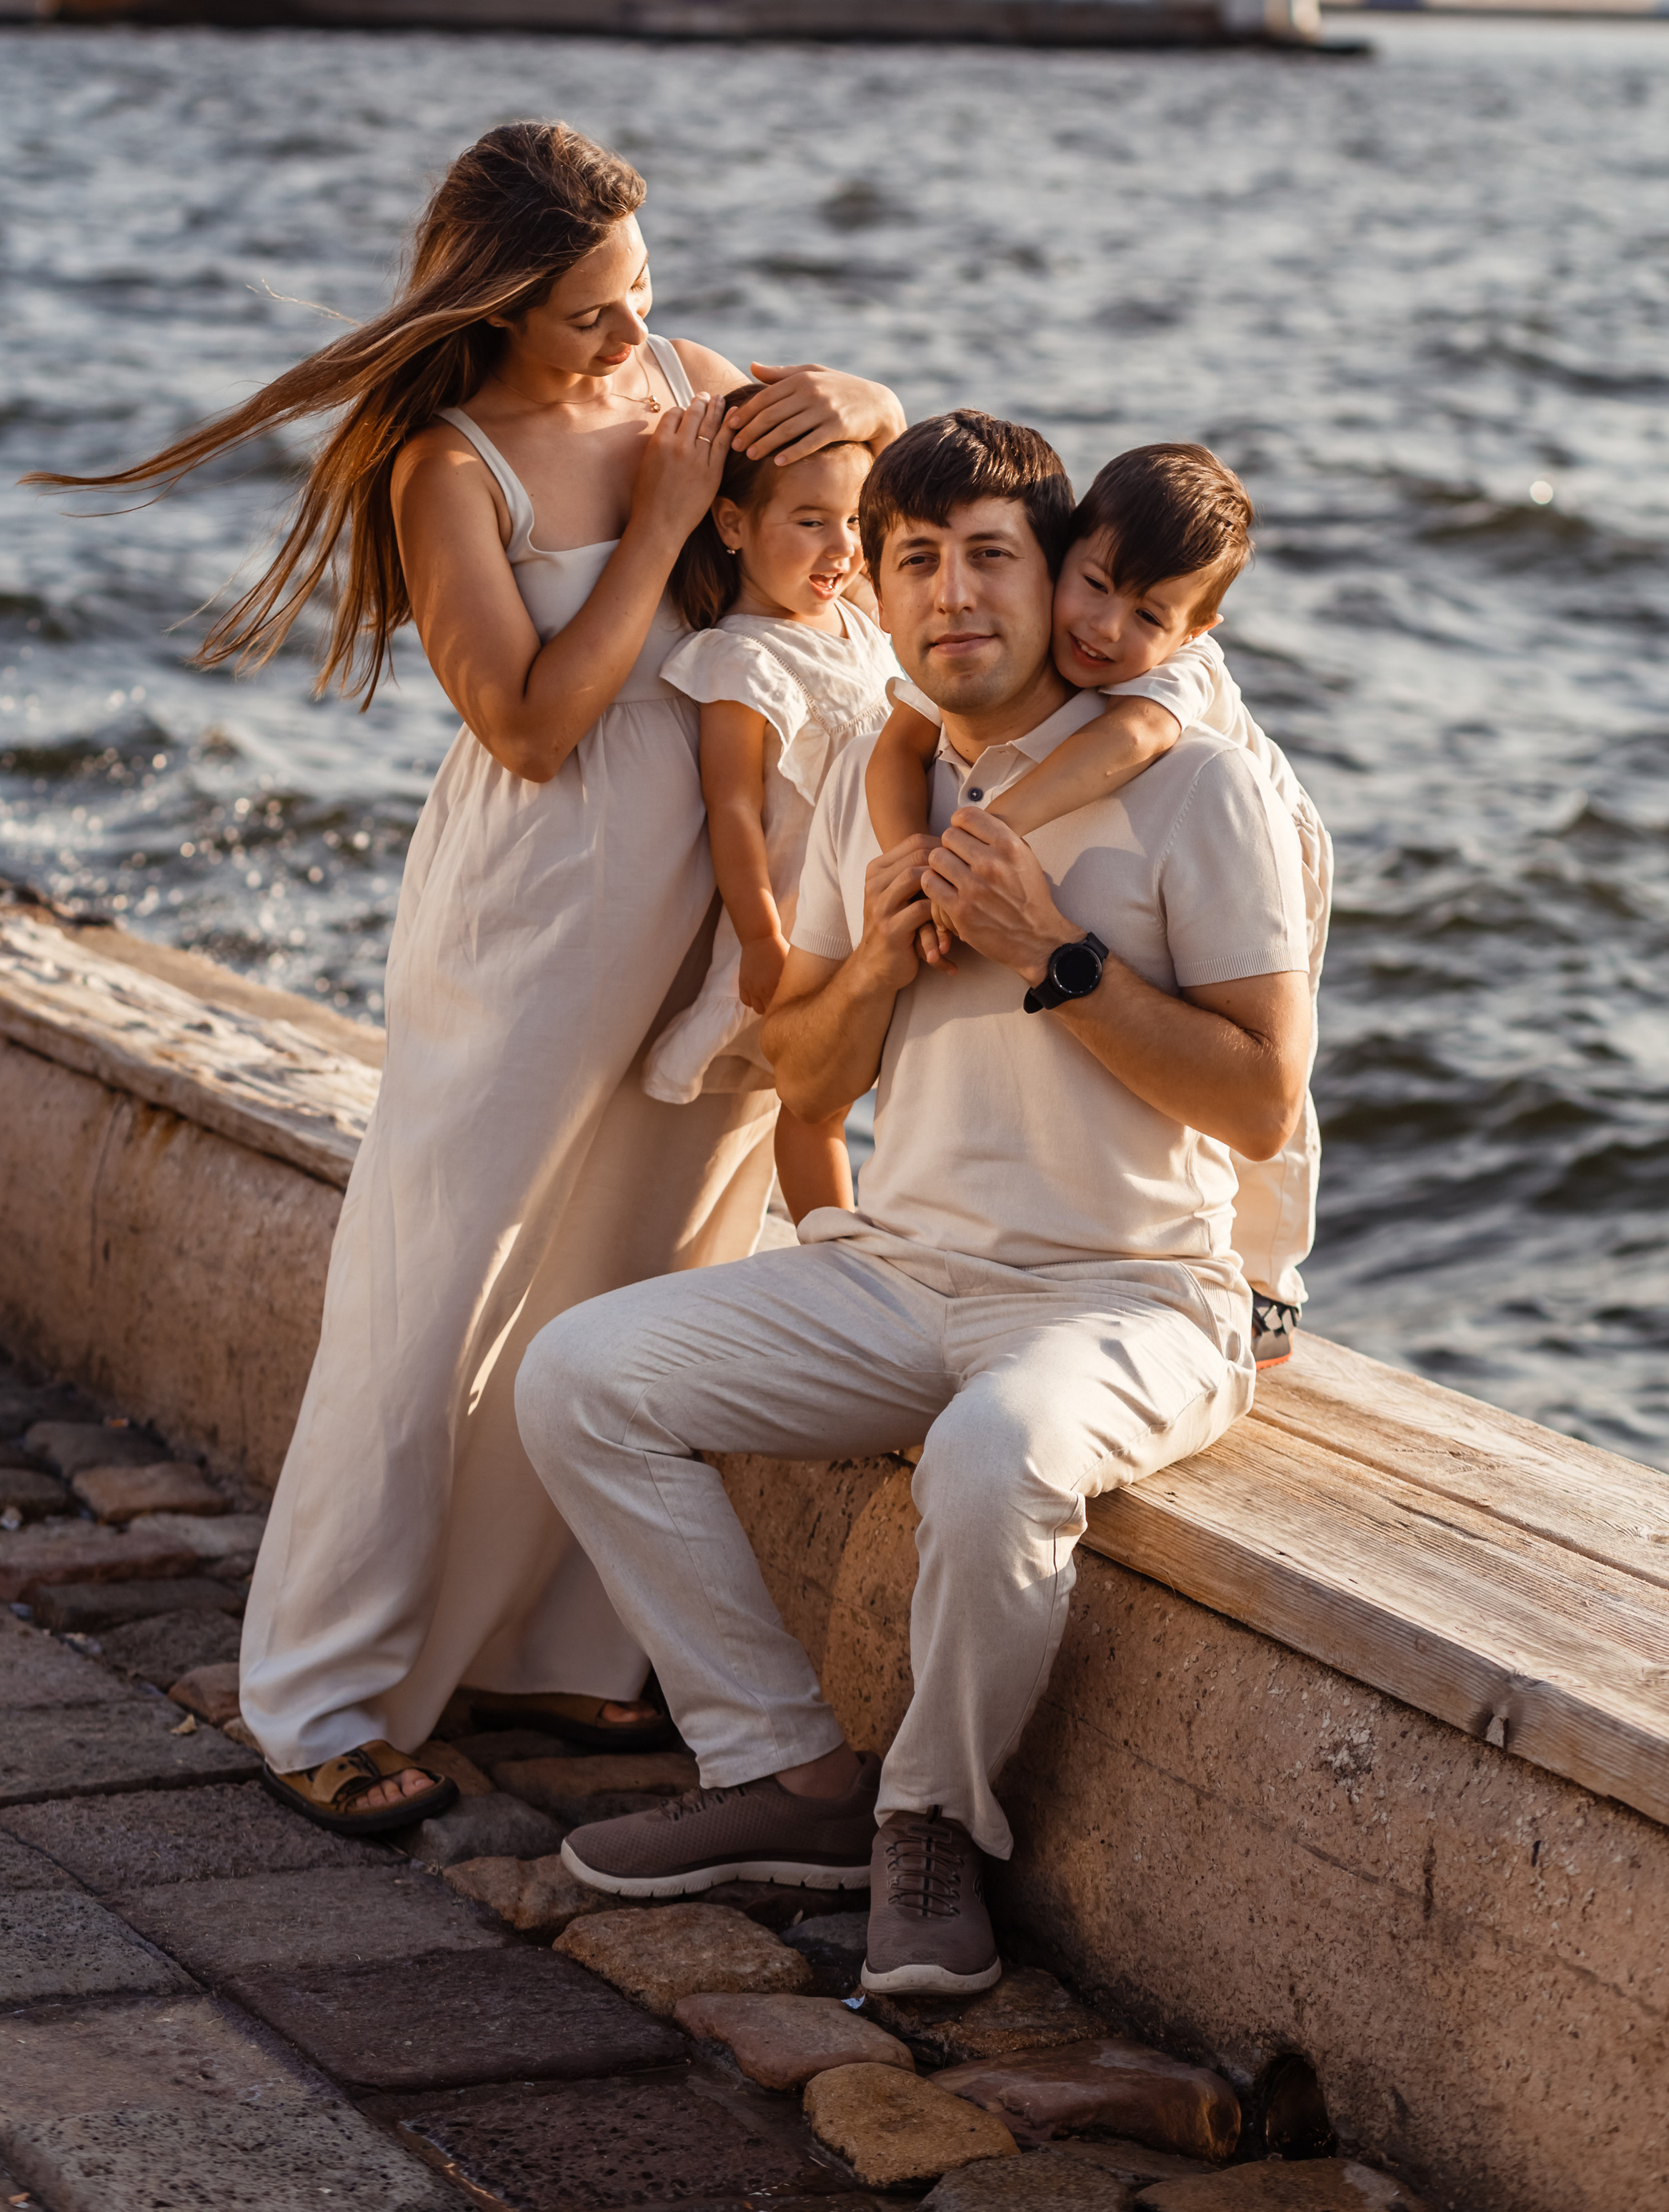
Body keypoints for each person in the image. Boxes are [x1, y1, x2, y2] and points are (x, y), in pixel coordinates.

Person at [28, 119, 902, 1835]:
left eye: (637, 296)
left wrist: (850, 399)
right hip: (539, 910)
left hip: (720, 912)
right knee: (431, 1286)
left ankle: (548, 1641)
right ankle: (313, 1693)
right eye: (587, 313)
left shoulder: (681, 375)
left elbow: (863, 420)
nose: (625, 338)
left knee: (644, 1255)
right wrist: (657, 526)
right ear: (495, 304)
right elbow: (525, 721)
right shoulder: (449, 467)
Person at [517, 408, 1310, 1992]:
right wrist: (882, 950)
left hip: (1131, 1296)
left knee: (994, 1455)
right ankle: (783, 1771)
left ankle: (929, 1820)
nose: (953, 593)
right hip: (904, 1272)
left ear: (1058, 573)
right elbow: (805, 1081)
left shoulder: (1195, 788)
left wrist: (1050, 953)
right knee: (576, 1376)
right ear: (872, 594)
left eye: (990, 559)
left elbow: (1255, 1096)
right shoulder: (885, 788)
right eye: (913, 561)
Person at [864, 441, 1331, 1362]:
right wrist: (911, 863)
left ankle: (1268, 1284)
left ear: (1197, 628)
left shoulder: (1176, 680)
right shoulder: (980, 670)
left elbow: (1129, 742)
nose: (1107, 629)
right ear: (1065, 549)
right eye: (1095, 584)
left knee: (1280, 1066)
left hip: (1270, 839)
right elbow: (896, 742)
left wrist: (992, 824)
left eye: (1149, 614)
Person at [642, 381, 902, 1222]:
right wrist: (758, 933)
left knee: (879, 1078)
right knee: (810, 1097)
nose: (843, 548)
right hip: (796, 913)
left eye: (856, 522)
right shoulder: (742, 662)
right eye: (811, 521)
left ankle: (905, 1225)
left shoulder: (859, 631)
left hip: (874, 902)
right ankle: (834, 1248)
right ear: (733, 527)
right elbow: (731, 810)